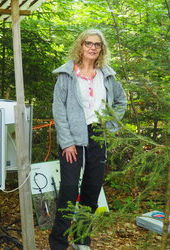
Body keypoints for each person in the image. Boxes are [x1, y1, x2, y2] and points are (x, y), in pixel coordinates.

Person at [49, 29, 127, 250]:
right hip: (73, 137)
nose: (93, 47)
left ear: (102, 49)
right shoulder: (67, 75)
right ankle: (58, 243)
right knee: (69, 190)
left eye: (97, 44)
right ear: (80, 46)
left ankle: (82, 240)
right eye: (88, 43)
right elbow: (59, 110)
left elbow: (121, 101)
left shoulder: (107, 75)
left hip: (98, 136)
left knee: (92, 190)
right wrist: (67, 142)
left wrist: (110, 125)